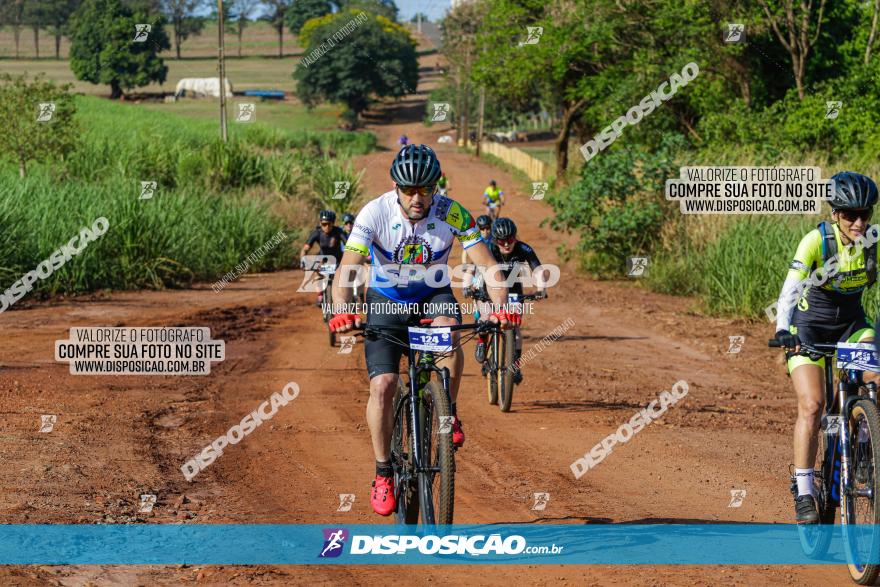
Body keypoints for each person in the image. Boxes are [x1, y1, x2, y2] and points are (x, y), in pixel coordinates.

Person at [327, 144, 517, 517]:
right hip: (386, 301)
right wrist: (343, 310)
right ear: (395, 186)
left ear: (436, 186)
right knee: (382, 386)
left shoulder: (452, 212)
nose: (418, 197)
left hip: (433, 294)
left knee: (448, 329)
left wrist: (501, 306)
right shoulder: (374, 212)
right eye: (409, 190)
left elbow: (490, 267)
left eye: (426, 189)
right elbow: (346, 272)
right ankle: (383, 472)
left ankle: (448, 411)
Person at [773, 171, 880, 524]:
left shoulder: (874, 241)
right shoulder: (816, 242)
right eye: (850, 214)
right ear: (835, 213)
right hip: (809, 329)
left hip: (852, 327)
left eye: (865, 213)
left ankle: (865, 443)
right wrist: (783, 329)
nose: (859, 222)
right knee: (813, 405)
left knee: (876, 381)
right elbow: (790, 289)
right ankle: (804, 489)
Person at [464, 217, 547, 384]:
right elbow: (472, 268)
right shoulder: (487, 247)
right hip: (487, 289)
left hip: (513, 291)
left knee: (515, 327)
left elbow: (537, 270)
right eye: (501, 241)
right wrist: (467, 286)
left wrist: (541, 289)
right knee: (486, 319)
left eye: (510, 239)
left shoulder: (523, 248)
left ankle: (515, 366)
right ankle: (482, 341)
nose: (507, 244)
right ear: (495, 239)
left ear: (515, 237)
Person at [300, 210, 347, 306]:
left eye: (328, 224)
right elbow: (305, 249)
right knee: (317, 272)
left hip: (337, 259)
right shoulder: (317, 232)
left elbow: (348, 244)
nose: (326, 226)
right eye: (323, 224)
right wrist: (302, 260)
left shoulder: (338, 231)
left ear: (333, 223)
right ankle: (320, 295)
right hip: (322, 259)